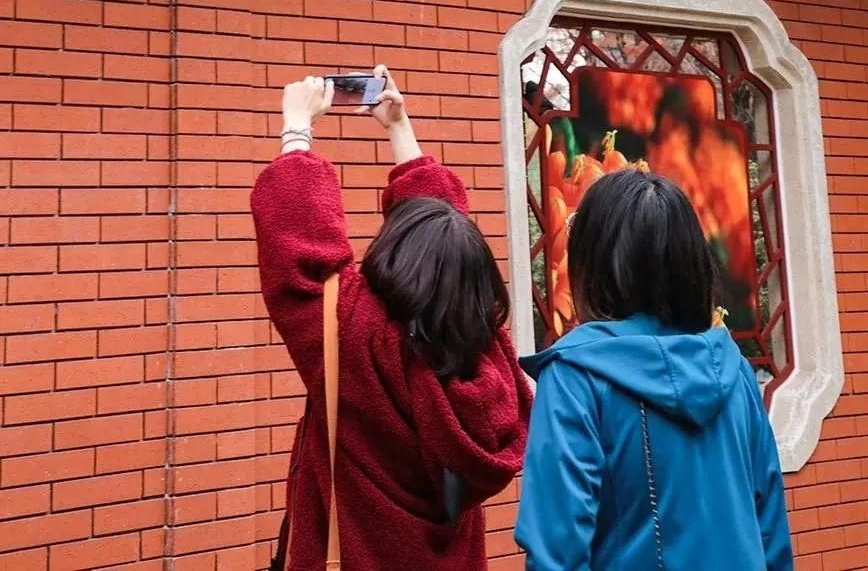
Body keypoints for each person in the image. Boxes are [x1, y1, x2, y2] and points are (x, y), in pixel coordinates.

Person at [252, 66, 531, 571]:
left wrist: (297, 128)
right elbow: (444, 236)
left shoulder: (354, 332)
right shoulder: (485, 349)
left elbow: (299, 251)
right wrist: (398, 127)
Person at [515, 170, 794, 571]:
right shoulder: (734, 370)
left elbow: (556, 551)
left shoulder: (576, 376)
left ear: (594, 260)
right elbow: (771, 534)